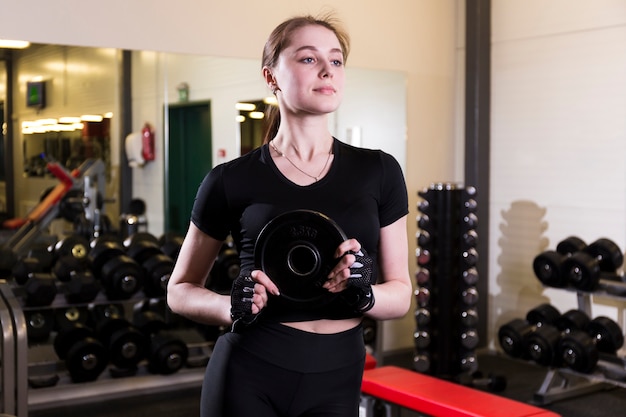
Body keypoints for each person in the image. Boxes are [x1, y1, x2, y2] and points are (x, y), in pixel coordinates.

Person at [166, 12, 412, 417]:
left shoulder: (379, 171)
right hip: (250, 368)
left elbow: (401, 292)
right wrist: (231, 306)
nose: (327, 71)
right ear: (271, 77)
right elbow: (180, 290)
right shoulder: (230, 179)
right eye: (308, 59)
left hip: (339, 372)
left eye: (335, 61)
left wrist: (365, 292)